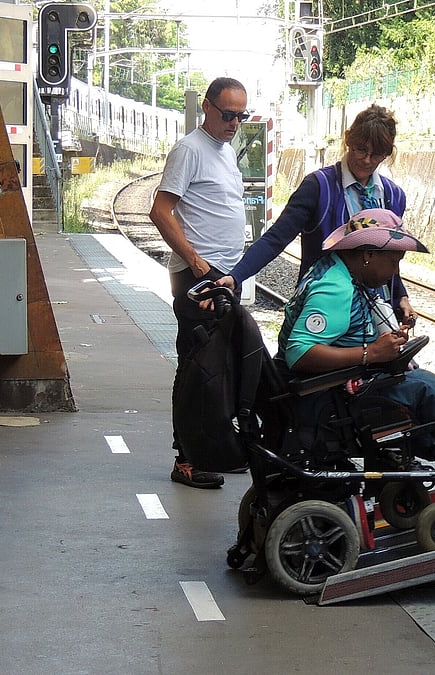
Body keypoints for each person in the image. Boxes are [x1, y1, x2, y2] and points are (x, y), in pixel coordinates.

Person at [277, 209, 435, 493]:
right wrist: (371, 354)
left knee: (420, 381)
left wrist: (384, 345)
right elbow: (299, 352)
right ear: (369, 255)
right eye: (394, 261)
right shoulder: (335, 288)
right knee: (425, 388)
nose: (395, 272)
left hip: (336, 388)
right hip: (326, 399)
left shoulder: (343, 272)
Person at [217, 104, 414, 324]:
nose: (367, 160)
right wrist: (236, 276)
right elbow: (276, 238)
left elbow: (389, 259)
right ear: (348, 139)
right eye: (360, 149)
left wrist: (401, 296)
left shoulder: (394, 196)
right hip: (325, 310)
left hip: (378, 315)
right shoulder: (319, 187)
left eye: (377, 154)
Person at [148, 77, 251, 489]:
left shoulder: (224, 151)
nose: (234, 123)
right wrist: (197, 263)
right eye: (228, 114)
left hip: (224, 277)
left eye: (241, 116)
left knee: (220, 369)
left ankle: (214, 447)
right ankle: (185, 459)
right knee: (194, 368)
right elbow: (160, 210)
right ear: (207, 107)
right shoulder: (189, 150)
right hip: (200, 280)